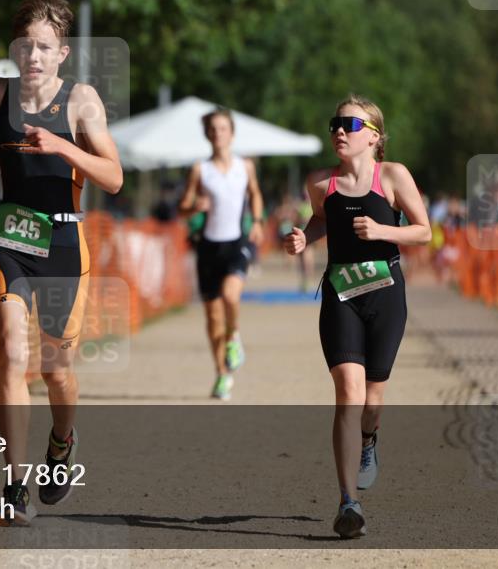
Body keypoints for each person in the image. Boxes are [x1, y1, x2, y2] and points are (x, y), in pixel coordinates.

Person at [0, 0, 123, 525]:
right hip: (11, 239)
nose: (33, 56)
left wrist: (64, 147)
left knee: (54, 368)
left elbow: (113, 176)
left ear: (62, 53)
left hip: (64, 244)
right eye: (25, 46)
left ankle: (63, 441)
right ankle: (14, 489)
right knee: (12, 355)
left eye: (44, 47)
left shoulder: (81, 100)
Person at [282, 95, 430, 539]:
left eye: (350, 123)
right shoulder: (320, 184)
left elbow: (423, 230)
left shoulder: (394, 176)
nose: (339, 131)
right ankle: (349, 501)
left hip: (386, 295)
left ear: (375, 136)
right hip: (340, 294)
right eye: (335, 123)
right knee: (347, 392)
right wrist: (303, 239)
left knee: (371, 402)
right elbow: (320, 219)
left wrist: (384, 230)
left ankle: (369, 440)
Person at [177, 109, 264, 401]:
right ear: (207, 134)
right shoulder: (200, 170)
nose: (218, 134)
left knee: (230, 296)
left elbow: (254, 193)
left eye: (223, 128)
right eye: (213, 129)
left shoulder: (245, 166)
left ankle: (234, 336)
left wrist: (258, 222)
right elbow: (184, 206)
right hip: (208, 248)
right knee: (213, 318)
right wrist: (194, 206)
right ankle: (222, 374)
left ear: (232, 133)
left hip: (236, 242)